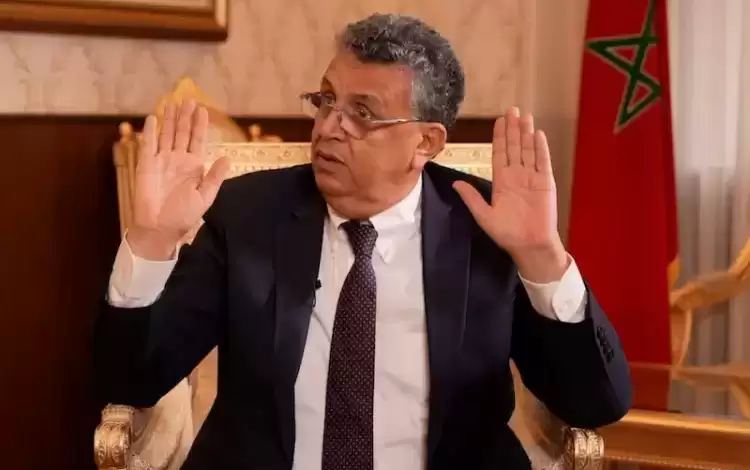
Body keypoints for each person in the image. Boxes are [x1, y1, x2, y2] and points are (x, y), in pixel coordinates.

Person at [94, 13, 632, 470]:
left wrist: (541, 258)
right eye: (327, 100)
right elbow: (131, 380)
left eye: (363, 113)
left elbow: (596, 403)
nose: (330, 127)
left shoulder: (487, 226)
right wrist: (150, 242)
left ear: (425, 142)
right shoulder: (247, 216)